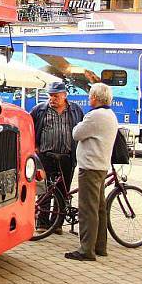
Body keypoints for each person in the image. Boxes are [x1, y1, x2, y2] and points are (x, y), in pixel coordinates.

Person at [65, 83, 118, 261]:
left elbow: (76, 134)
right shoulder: (110, 115)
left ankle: (86, 250)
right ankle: (100, 246)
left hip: (90, 167)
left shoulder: (95, 116)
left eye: (90, 96)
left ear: (95, 98)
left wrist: (79, 124)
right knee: (100, 208)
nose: (89, 99)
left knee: (88, 209)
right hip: (101, 166)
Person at [30, 80, 84, 232]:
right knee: (44, 189)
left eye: (55, 96)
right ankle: (41, 223)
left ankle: (57, 224)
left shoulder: (75, 110)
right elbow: (29, 128)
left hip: (67, 156)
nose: (52, 99)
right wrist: (33, 146)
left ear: (64, 96)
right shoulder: (40, 110)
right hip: (45, 156)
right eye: (50, 96)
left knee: (62, 190)